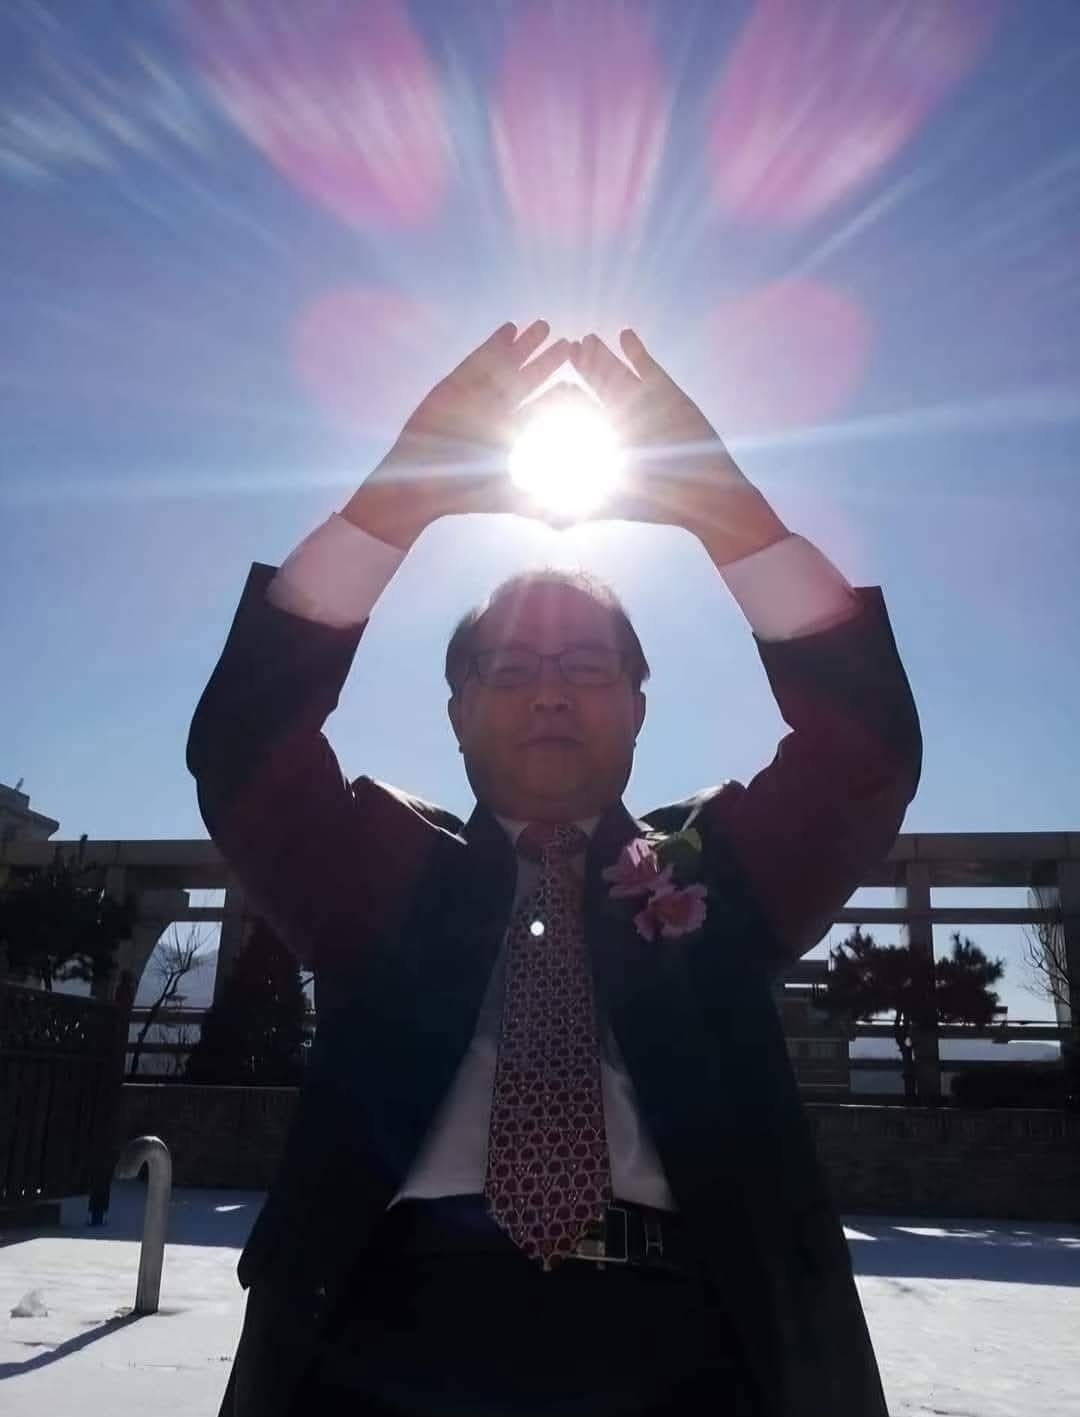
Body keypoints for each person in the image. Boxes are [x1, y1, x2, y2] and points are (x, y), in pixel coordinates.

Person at [189, 321, 921, 1417]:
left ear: (638, 706)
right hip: (380, 1341)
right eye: (510, 668)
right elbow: (246, 750)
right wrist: (394, 502)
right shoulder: (376, 870)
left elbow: (864, 757)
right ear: (457, 709)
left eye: (585, 666)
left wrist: (726, 512)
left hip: (696, 1344)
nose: (548, 693)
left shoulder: (711, 871)